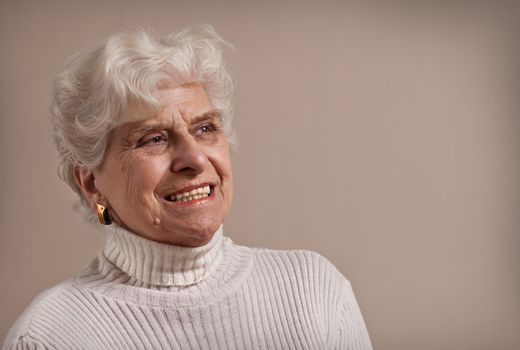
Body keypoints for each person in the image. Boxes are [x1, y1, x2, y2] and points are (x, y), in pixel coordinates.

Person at [3, 25, 373, 349]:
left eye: (205, 129)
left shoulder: (313, 289)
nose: (194, 159)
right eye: (153, 138)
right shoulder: (51, 337)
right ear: (91, 184)